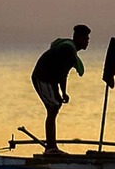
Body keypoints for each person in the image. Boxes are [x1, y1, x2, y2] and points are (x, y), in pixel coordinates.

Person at [30, 25, 91, 153]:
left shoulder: (70, 49)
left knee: (55, 106)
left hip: (50, 80)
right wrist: (62, 92)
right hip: (42, 77)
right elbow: (62, 74)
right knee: (53, 107)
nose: (88, 41)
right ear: (79, 38)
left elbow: (62, 73)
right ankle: (51, 147)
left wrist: (62, 92)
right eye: (86, 38)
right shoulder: (68, 50)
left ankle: (52, 145)